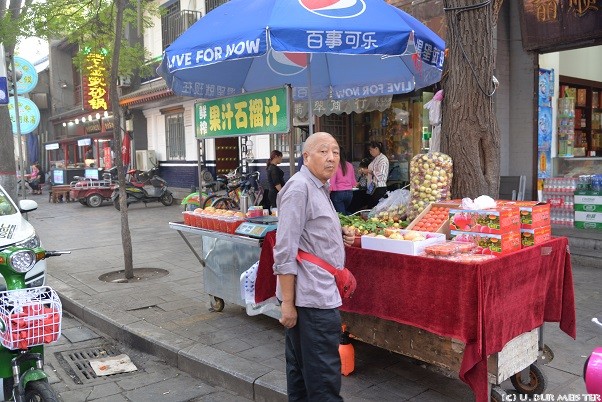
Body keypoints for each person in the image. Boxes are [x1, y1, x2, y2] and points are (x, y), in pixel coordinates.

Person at [273, 132, 355, 401]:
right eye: (323, 151)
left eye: (336, 152)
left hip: (314, 294)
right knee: (322, 380)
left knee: (303, 374)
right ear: (306, 157)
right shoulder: (300, 188)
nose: (331, 158)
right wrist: (287, 303)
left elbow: (310, 232)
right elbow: (284, 249)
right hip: (312, 300)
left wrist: (339, 233)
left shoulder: (318, 186)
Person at [329, 149, 355, 215]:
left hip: (338, 193)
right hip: (349, 193)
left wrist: (329, 191)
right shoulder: (350, 165)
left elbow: (332, 182)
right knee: (344, 212)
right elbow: (353, 182)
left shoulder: (335, 166)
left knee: (341, 215)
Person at [366, 141, 389, 208]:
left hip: (379, 188)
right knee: (371, 207)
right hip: (372, 187)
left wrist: (368, 171)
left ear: (376, 148)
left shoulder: (383, 159)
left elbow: (381, 175)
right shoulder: (376, 159)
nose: (370, 152)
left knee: (376, 208)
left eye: (371, 149)